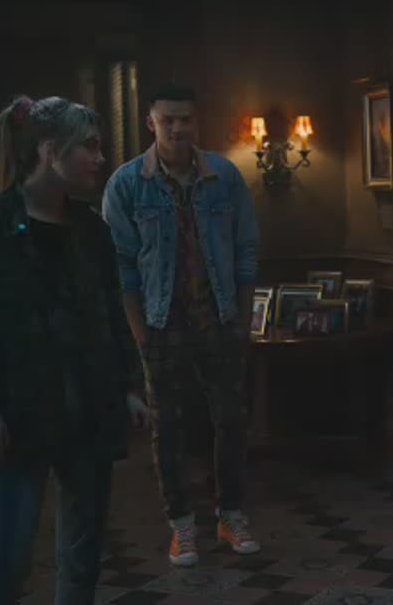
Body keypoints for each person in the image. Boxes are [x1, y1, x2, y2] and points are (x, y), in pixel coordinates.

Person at [0, 95, 151, 605]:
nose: (99, 158)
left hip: (91, 409)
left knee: (82, 563)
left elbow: (111, 315)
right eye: (89, 146)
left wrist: (129, 388)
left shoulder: (91, 229)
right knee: (6, 563)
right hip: (22, 410)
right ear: (49, 150)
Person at [101, 83, 262, 566]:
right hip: (160, 322)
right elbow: (122, 268)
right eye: (167, 120)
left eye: (185, 119)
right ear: (150, 123)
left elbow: (246, 251)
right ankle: (181, 526)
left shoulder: (225, 178)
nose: (177, 128)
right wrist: (140, 333)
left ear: (197, 122)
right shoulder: (127, 184)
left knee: (231, 420)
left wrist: (242, 320)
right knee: (167, 427)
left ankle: (231, 515)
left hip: (219, 318)